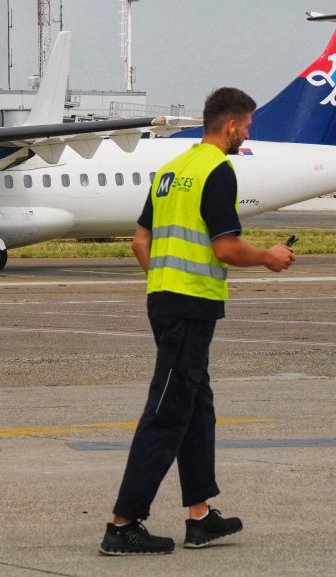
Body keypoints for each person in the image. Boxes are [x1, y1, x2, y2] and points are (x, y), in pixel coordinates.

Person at [100, 87, 296, 556]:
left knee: (195, 406)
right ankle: (122, 524)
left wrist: (165, 280)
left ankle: (200, 516)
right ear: (230, 126)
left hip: (165, 300)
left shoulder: (170, 171)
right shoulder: (217, 171)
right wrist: (269, 256)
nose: (246, 135)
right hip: (191, 306)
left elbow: (139, 242)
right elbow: (225, 248)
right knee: (167, 410)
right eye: (246, 127)